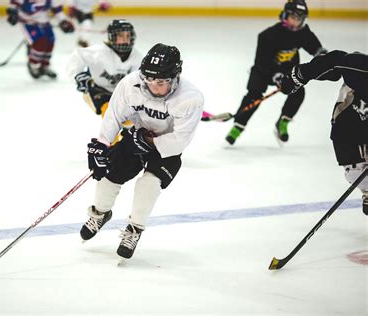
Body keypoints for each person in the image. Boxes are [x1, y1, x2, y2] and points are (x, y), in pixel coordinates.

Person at [82, 43, 204, 261]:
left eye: (160, 82)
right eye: (148, 79)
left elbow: (180, 141)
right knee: (108, 175)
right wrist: (102, 143)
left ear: (176, 76)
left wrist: (148, 141)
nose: (152, 86)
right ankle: (100, 213)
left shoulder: (191, 97)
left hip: (165, 149)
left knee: (148, 184)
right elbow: (114, 115)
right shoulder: (131, 84)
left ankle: (134, 229)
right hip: (136, 137)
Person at [225, 0, 327, 145]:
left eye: (299, 19)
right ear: (285, 16)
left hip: (286, 70)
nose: (295, 22)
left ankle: (283, 121)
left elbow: (313, 46)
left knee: (298, 92)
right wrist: (274, 75)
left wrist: (321, 55)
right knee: (253, 96)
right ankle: (238, 126)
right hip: (263, 71)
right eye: (293, 17)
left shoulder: (303, 32)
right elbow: (261, 62)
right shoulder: (268, 35)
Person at [279, 50, 368, 214]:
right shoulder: (361, 69)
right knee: (355, 173)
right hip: (349, 121)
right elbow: (336, 61)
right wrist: (300, 75)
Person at [67, 19, 142, 118]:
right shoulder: (99, 52)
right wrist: (78, 76)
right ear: (112, 37)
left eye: (128, 36)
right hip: (98, 90)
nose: (125, 39)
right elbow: (77, 56)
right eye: (121, 35)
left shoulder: (137, 57)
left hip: (121, 94)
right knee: (109, 111)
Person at [6, 0, 75, 79]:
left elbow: (57, 10)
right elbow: (14, 4)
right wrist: (12, 13)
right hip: (28, 23)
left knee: (50, 41)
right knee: (40, 42)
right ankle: (33, 65)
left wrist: (63, 21)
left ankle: (44, 66)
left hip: (44, 22)